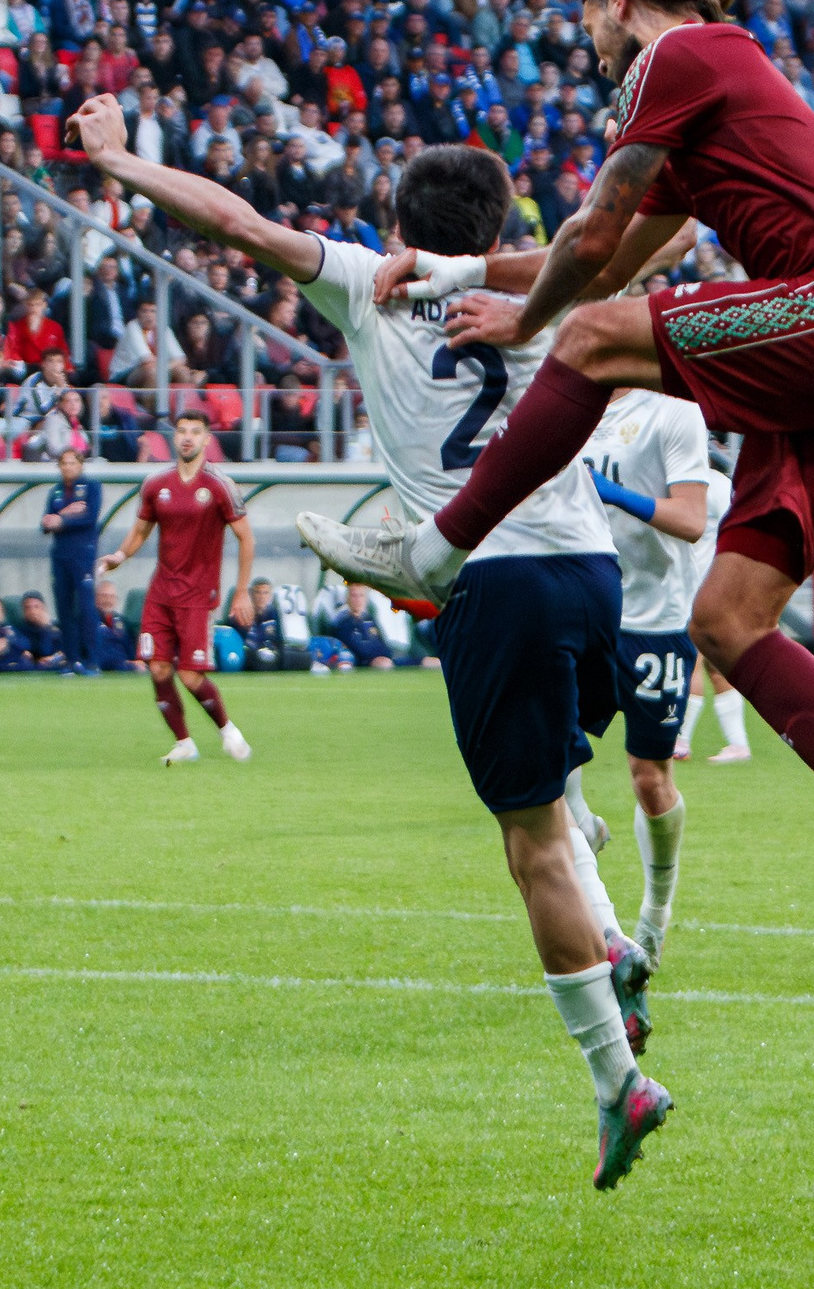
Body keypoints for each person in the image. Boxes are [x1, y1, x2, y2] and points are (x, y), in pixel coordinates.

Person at [299, 0, 814, 954]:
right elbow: (596, 258)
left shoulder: (677, 57)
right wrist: (457, 271)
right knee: (727, 621)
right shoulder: (707, 107)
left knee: (594, 338)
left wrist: (520, 320)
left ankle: (432, 549)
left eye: (588, 27)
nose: (593, 50)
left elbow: (593, 255)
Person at [67, 99, 672, 1191]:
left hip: (488, 577)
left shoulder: (366, 282)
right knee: (558, 780)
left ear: (399, 224)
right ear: (498, 219)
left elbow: (235, 221)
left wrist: (117, 158)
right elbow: (656, 232)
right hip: (594, 575)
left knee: (527, 834)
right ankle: (614, 943)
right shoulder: (550, 282)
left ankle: (611, 1080)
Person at [568, 387, 717, 964]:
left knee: (649, 778)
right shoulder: (566, 402)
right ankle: (584, 830)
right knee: (553, 752)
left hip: (655, 620)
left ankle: (656, 911)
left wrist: (616, 495)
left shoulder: (672, 412)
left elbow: (692, 520)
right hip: (582, 607)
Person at [98, 409, 256, 764]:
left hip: (199, 595)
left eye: (195, 432)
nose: (187, 437)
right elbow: (141, 530)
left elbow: (246, 539)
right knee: (156, 668)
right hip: (161, 592)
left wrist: (242, 590)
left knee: (189, 675)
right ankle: (184, 742)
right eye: (182, 431)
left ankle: (227, 729)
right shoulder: (156, 484)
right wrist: (120, 556)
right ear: (174, 437)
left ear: (206, 439)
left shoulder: (220, 485)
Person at [41, 446, 102, 675]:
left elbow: (90, 517)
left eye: (72, 463)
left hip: (83, 554)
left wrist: (61, 519)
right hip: (60, 554)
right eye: (64, 463)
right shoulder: (55, 491)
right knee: (64, 608)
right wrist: (60, 517)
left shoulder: (91, 487)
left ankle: (91, 660)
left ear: (80, 464)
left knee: (86, 607)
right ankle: (71, 658)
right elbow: (46, 521)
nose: (68, 467)